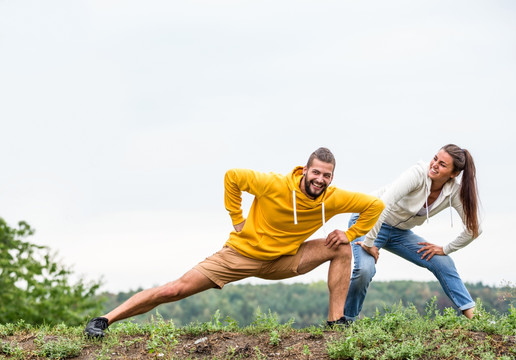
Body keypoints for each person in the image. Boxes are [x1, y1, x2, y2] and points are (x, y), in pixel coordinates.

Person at [84, 147, 385, 337]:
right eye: (316, 172)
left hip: (285, 258)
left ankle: (336, 324)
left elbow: (375, 205)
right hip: (240, 255)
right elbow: (232, 177)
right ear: (305, 170)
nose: (320, 179)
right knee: (175, 289)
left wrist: (350, 232)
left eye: (327, 175)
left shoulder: (332, 197)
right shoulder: (274, 184)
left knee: (343, 248)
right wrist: (236, 218)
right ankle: (104, 320)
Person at [344, 144, 481, 321]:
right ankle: (346, 322)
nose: (434, 165)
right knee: (365, 269)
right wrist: (369, 243)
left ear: (454, 173)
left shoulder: (453, 191)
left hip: (399, 233)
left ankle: (475, 317)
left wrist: (445, 249)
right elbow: (382, 205)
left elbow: (474, 228)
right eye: (435, 159)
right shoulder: (417, 174)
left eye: (442, 164)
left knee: (443, 262)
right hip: (369, 221)